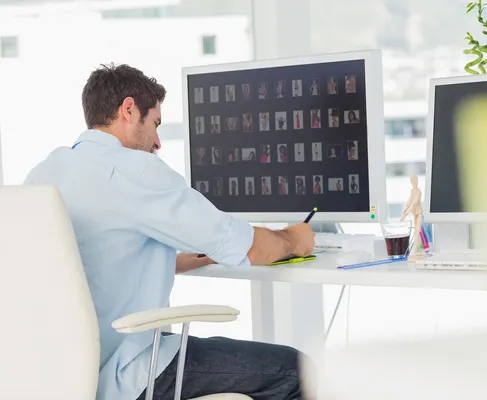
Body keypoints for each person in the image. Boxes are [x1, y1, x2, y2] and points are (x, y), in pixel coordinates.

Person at [22, 64, 315, 400]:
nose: (158, 142)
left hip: (65, 376)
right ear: (129, 110)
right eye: (155, 124)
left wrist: (171, 261)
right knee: (297, 371)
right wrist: (296, 239)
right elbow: (248, 248)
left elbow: (80, 259)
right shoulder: (136, 171)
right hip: (129, 371)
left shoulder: (45, 171)